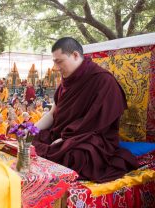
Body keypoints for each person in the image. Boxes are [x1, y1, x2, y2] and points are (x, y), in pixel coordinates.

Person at [33, 37, 139, 183]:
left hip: (91, 137)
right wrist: (31, 129)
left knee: (77, 155)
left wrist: (66, 139)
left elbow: (100, 125)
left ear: (75, 55)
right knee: (30, 140)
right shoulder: (65, 82)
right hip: (62, 134)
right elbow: (52, 113)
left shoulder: (103, 80)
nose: (56, 68)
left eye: (59, 61)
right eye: (54, 62)